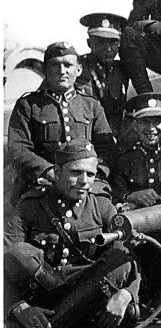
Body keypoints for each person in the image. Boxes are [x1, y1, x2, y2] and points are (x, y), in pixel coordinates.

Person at [3, 140, 141, 328]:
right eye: (76, 173)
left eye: (91, 174)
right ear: (57, 172)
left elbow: (128, 254)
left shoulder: (101, 204)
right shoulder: (29, 206)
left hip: (88, 289)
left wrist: (126, 294)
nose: (84, 181)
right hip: (43, 295)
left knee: (120, 263)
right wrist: (19, 307)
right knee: (18, 255)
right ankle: (66, 324)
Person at [8, 41, 115, 205]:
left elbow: (106, 148)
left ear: (78, 70)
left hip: (87, 187)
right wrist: (48, 172)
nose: (62, 71)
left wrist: (93, 176)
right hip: (43, 185)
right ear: (45, 70)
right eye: (55, 65)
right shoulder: (28, 105)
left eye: (68, 65)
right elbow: (19, 149)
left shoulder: (91, 105)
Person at [77, 12, 130, 135]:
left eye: (113, 42)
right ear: (89, 43)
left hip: (113, 138)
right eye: (101, 42)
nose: (108, 48)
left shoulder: (122, 70)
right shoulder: (76, 68)